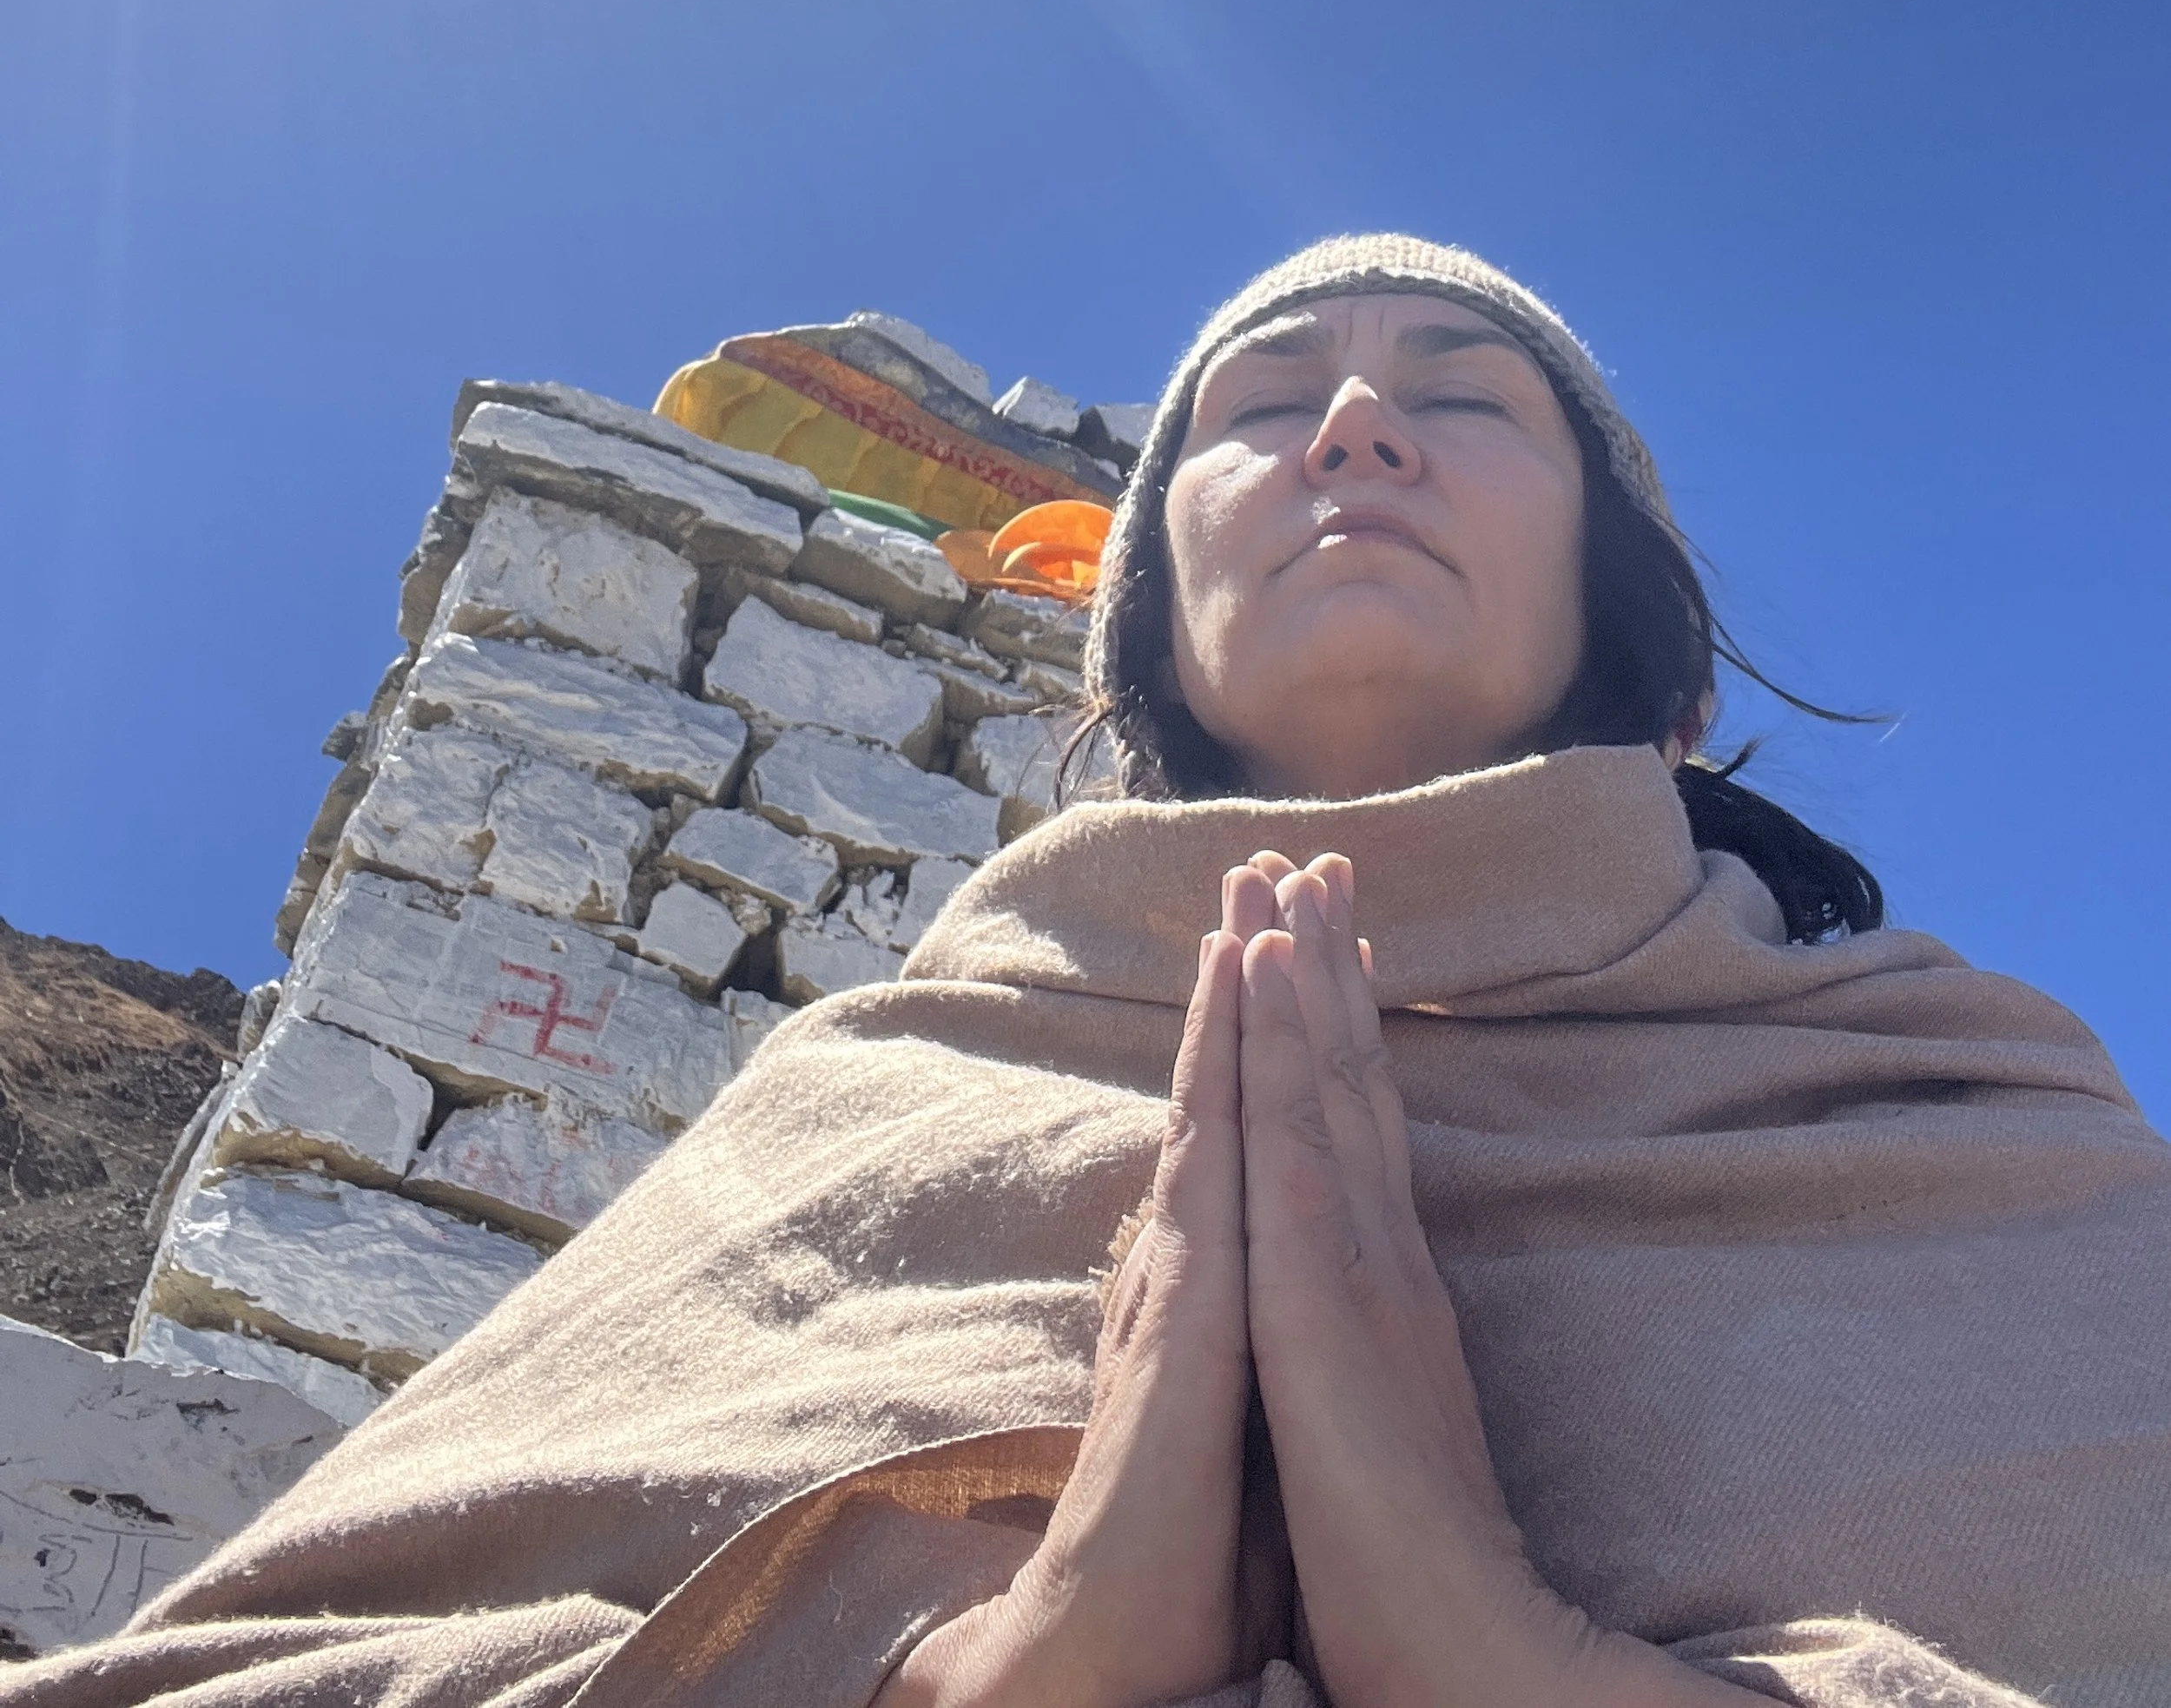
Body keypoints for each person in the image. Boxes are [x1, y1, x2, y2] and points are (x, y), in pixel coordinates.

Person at [15, 238, 2169, 1708]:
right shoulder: (877, 1095)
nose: (1352, 428)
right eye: (1262, 402)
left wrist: (1515, 1662)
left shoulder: (1959, 1128)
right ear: (1134, 645)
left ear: (1651, 645)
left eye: (1461, 394)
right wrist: (975, 1665)